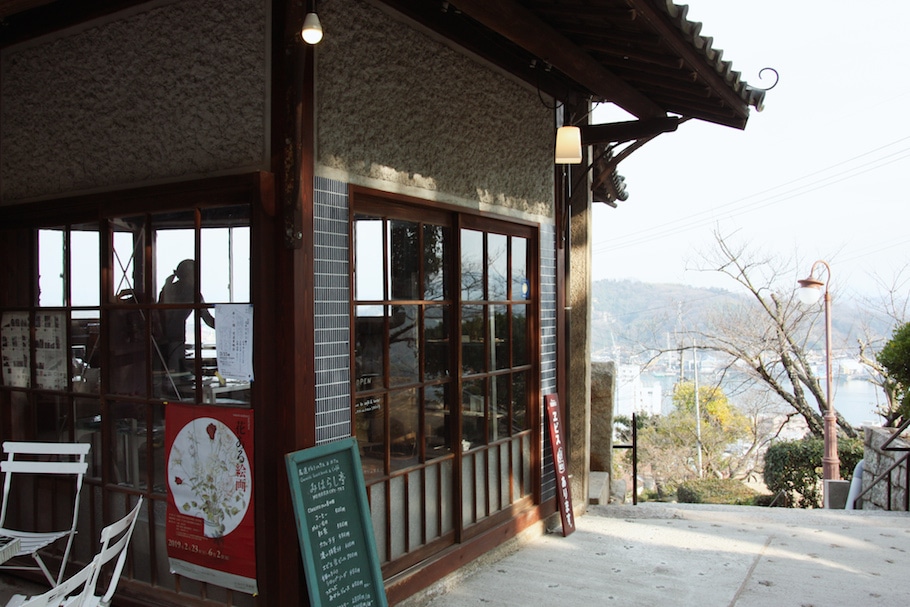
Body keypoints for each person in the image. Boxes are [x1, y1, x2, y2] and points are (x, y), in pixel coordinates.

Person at [156, 259, 215, 377]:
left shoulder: (167, 289)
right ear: (190, 275)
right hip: (176, 342)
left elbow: (158, 315)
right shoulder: (193, 293)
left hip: (160, 341)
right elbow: (208, 320)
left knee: (167, 379)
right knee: (176, 377)